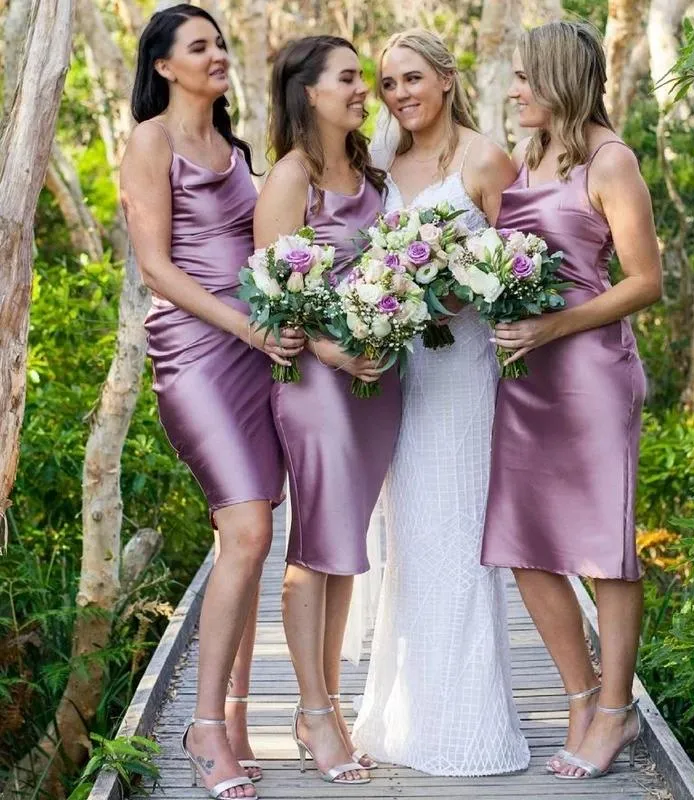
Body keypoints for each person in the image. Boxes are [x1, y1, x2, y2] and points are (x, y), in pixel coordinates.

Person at [120, 5, 304, 798]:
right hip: (196, 354)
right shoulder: (149, 143)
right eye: (200, 46)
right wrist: (248, 327)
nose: (218, 54)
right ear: (163, 65)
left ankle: (233, 713)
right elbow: (157, 267)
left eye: (220, 42)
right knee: (249, 525)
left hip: (260, 348)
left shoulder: (233, 148)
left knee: (252, 535)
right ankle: (203, 730)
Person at [481, 21, 663, 781]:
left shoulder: (610, 160)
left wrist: (553, 322)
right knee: (522, 547)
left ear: (559, 78)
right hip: (526, 382)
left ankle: (615, 712)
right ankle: (581, 695)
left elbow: (644, 281)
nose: (515, 90)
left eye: (525, 77)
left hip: (589, 376)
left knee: (605, 554)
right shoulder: (527, 157)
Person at [352, 29, 530, 777]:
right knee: (409, 538)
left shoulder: (486, 159)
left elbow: (523, 266)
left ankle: (468, 724)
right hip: (399, 369)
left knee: (458, 532)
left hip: (462, 374)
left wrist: (460, 291)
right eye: (389, 84)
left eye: (413, 78)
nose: (401, 95)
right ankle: (402, 715)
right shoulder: (382, 163)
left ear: (448, 79)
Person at [253, 35, 401, 785]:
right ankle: (313, 714)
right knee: (315, 547)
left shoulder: (370, 174)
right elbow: (272, 292)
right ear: (309, 92)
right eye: (347, 78)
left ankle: (328, 705)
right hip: (316, 382)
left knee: (342, 545)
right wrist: (333, 349)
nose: (362, 89)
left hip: (376, 382)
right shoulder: (291, 179)